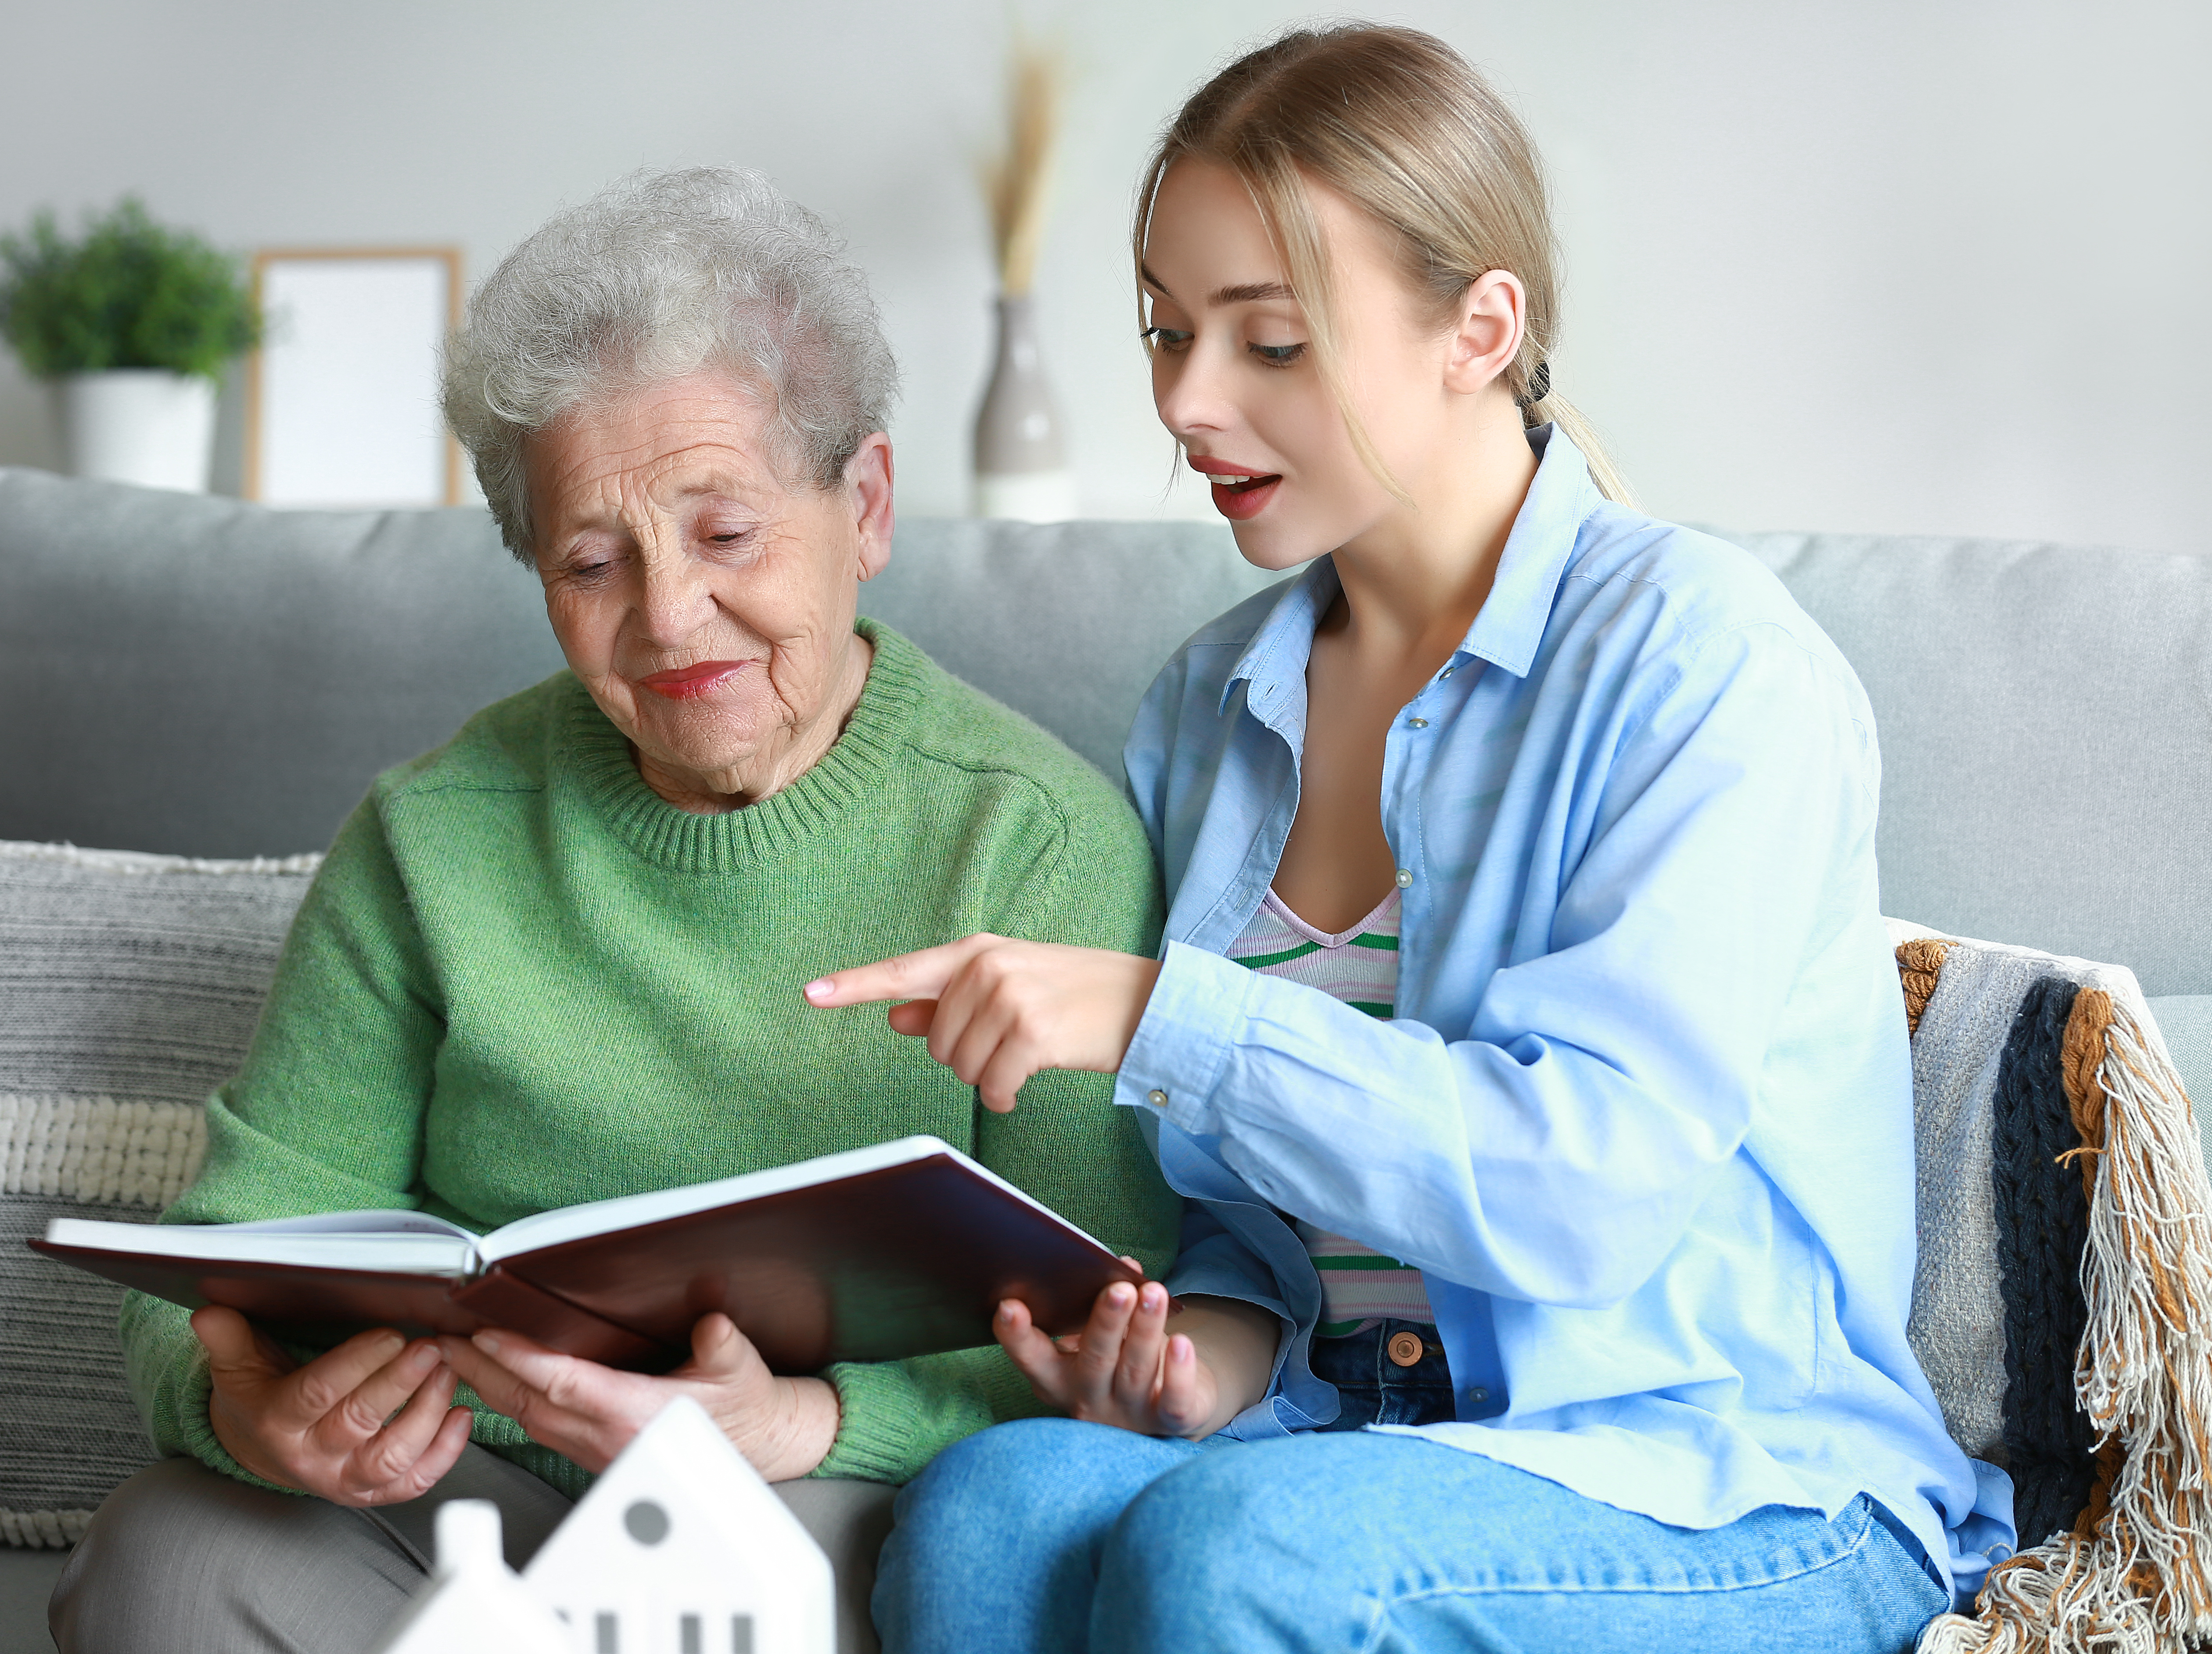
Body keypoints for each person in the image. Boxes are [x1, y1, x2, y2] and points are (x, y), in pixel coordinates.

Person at [808, 26, 2014, 1654]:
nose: (1185, 402)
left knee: (1248, 1557)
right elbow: (1250, 1232)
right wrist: (1196, 1357)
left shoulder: (1702, 662)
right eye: (1166, 334)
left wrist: (1159, 1016)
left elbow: (1585, 1192)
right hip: (1350, 1438)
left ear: (1480, 327)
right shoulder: (1202, 710)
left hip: (1729, 1483)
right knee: (991, 1511)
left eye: (1272, 343)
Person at [48, 167, 1177, 1651]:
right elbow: (221, 1249)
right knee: (171, 1560)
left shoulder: (1035, 844)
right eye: (590, 563)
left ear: (869, 505)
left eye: (725, 536)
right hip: (462, 1489)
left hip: (817, 1496)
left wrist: (806, 1420)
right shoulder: (428, 841)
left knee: (735, 1590)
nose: (664, 617)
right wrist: (247, 1409)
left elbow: (1111, 1342)